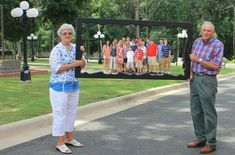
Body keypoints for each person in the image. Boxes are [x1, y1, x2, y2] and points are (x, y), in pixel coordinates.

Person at [49, 23, 86, 154]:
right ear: (60, 35)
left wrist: (81, 60)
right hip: (59, 87)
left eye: (70, 33)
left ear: (73, 35)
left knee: (72, 112)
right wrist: (73, 64)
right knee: (60, 114)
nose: (67, 35)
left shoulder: (77, 48)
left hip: (74, 85)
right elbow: (56, 68)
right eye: (65, 33)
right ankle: (60, 142)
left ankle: (69, 138)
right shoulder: (56, 50)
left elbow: (83, 63)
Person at [187, 21, 224, 154]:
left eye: (209, 30)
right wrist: (190, 73)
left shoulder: (218, 45)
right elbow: (191, 59)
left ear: (213, 32)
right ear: (200, 30)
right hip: (195, 79)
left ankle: (211, 143)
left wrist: (199, 60)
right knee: (195, 111)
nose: (206, 32)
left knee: (209, 112)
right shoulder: (196, 41)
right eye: (204, 30)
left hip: (207, 80)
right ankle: (201, 138)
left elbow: (216, 66)